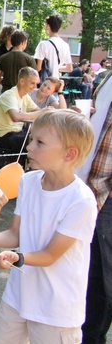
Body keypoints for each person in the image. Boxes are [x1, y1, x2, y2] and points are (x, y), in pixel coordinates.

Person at [0, 110, 97, 344]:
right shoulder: (29, 181)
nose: (30, 147)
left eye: (40, 142)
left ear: (69, 154)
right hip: (18, 296)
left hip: (56, 309)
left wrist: (15, 258)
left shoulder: (81, 200)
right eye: (32, 139)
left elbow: (50, 255)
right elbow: (15, 234)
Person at [77, 72, 112, 343]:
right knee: (90, 280)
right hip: (90, 191)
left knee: (102, 284)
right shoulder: (108, 76)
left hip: (105, 195)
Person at [0, 67, 50, 162]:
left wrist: (49, 112)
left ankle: (32, 168)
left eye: (36, 83)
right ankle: (23, 168)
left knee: (42, 138)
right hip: (3, 135)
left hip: (16, 133)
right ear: (22, 81)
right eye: (32, 83)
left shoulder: (25, 96)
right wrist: (41, 112)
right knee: (34, 142)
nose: (35, 86)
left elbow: (38, 111)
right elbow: (16, 117)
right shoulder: (9, 95)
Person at [34, 14, 73, 79]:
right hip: (56, 81)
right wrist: (55, 68)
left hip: (46, 82)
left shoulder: (43, 44)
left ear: (48, 26)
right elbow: (69, 68)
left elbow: (38, 68)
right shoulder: (65, 45)